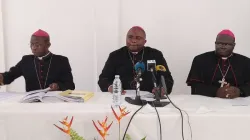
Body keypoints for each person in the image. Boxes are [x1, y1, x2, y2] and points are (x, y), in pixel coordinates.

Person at [98, 26, 174, 94]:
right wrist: (111, 87)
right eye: (130, 37)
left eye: (138, 38)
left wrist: (162, 89)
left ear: (144, 42)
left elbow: (167, 79)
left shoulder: (155, 55)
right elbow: (103, 79)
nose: (133, 40)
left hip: (150, 99)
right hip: (122, 98)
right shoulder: (115, 55)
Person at [0, 29, 75, 92]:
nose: (33, 48)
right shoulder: (26, 60)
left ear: (48, 45)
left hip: (55, 102)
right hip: (32, 104)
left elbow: (70, 85)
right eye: (31, 44)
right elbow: (10, 75)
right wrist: (1, 77)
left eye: (37, 45)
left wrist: (58, 86)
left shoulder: (61, 61)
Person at [186, 29, 250, 98]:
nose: (222, 46)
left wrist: (239, 91)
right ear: (215, 43)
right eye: (219, 43)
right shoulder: (200, 59)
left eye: (227, 44)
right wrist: (215, 92)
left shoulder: (245, 62)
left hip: (238, 103)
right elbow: (195, 86)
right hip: (206, 103)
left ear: (234, 45)